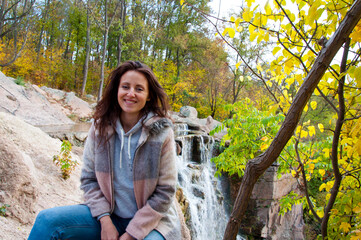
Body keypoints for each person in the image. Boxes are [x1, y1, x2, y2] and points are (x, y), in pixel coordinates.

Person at [28, 60, 181, 240]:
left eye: (139, 89)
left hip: (153, 223)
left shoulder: (162, 133)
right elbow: (89, 179)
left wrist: (132, 234)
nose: (131, 93)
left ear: (148, 95)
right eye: (125, 87)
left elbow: (165, 192)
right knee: (47, 221)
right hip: (110, 215)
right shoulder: (100, 127)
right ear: (117, 90)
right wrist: (105, 221)